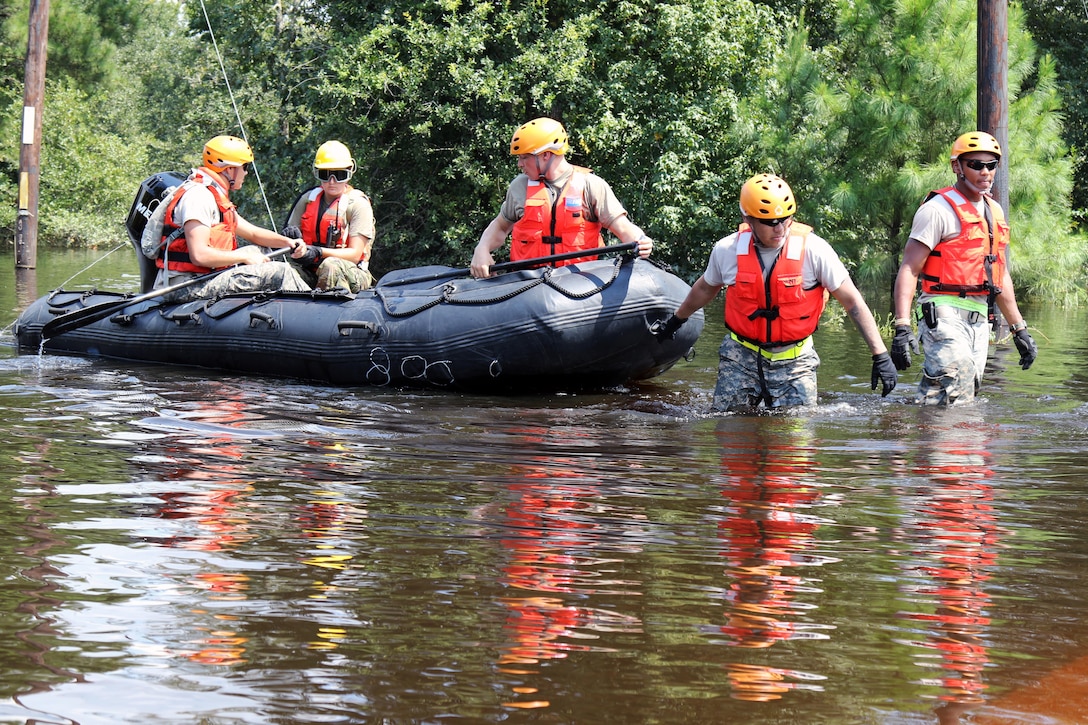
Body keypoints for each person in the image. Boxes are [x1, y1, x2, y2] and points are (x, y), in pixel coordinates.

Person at [656, 173, 896, 412]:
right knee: (731, 433)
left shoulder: (815, 250)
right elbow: (706, 288)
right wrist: (677, 320)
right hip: (740, 358)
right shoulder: (727, 250)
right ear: (747, 218)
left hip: (795, 362)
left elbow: (852, 302)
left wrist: (880, 355)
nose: (780, 228)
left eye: (785, 219)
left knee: (794, 442)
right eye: (769, 222)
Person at [890, 131, 1037, 405]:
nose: (985, 172)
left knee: (954, 397)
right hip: (942, 311)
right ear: (957, 166)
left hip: (979, 317)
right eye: (976, 165)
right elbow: (909, 268)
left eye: (991, 165)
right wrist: (902, 326)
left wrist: (1019, 329)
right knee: (958, 381)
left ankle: (933, 441)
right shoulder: (937, 210)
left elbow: (1000, 275)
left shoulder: (995, 212)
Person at [470, 117, 653, 278]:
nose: (519, 164)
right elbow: (501, 226)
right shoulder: (520, 186)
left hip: (577, 284)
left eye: (524, 157)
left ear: (546, 155)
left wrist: (641, 239)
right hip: (527, 284)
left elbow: (622, 227)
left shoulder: (591, 185)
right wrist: (482, 249)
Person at [155, 134, 309, 301]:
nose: (246, 173)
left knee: (262, 251)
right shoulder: (199, 197)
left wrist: (288, 242)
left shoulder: (214, 196)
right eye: (245, 167)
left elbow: (253, 233)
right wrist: (243, 257)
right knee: (280, 271)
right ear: (230, 169)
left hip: (204, 277)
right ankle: (313, 308)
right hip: (186, 285)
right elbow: (199, 255)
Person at [282, 140, 376, 292]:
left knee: (330, 265)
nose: (332, 182)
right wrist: (293, 243)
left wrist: (317, 252)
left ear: (350, 171)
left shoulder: (358, 205)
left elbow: (354, 254)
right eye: (325, 175)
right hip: (311, 271)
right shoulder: (307, 200)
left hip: (351, 273)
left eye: (339, 175)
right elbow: (289, 241)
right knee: (285, 270)